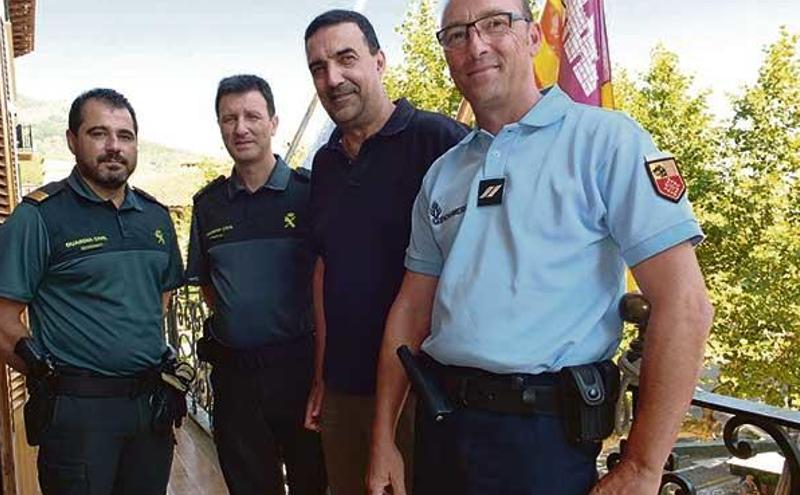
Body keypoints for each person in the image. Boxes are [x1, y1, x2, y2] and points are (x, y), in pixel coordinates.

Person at [366, 0, 714, 494]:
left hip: (545, 441)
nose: (476, 44)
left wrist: (641, 466)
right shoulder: (443, 174)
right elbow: (410, 310)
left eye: (494, 24)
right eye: (457, 35)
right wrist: (384, 438)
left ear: (533, 38)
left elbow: (686, 305)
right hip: (443, 427)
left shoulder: (607, 142)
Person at [0, 88, 185, 495]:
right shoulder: (38, 218)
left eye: (125, 136)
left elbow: (159, 301)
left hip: (150, 410)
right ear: (72, 140)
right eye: (98, 134)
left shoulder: (156, 218)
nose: (113, 147)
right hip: (79, 417)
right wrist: (47, 375)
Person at [302, 9, 468, 495]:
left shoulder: (441, 144)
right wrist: (321, 376)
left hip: (427, 390)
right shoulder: (326, 162)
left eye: (345, 58)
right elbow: (325, 270)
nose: (332, 78)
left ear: (379, 61)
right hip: (346, 392)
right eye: (317, 67)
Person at [185, 75, 327, 495]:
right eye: (229, 118)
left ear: (274, 123)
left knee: (313, 483)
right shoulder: (207, 206)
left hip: (301, 372)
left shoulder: (309, 193)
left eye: (251, 116)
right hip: (236, 379)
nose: (240, 128)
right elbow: (209, 286)